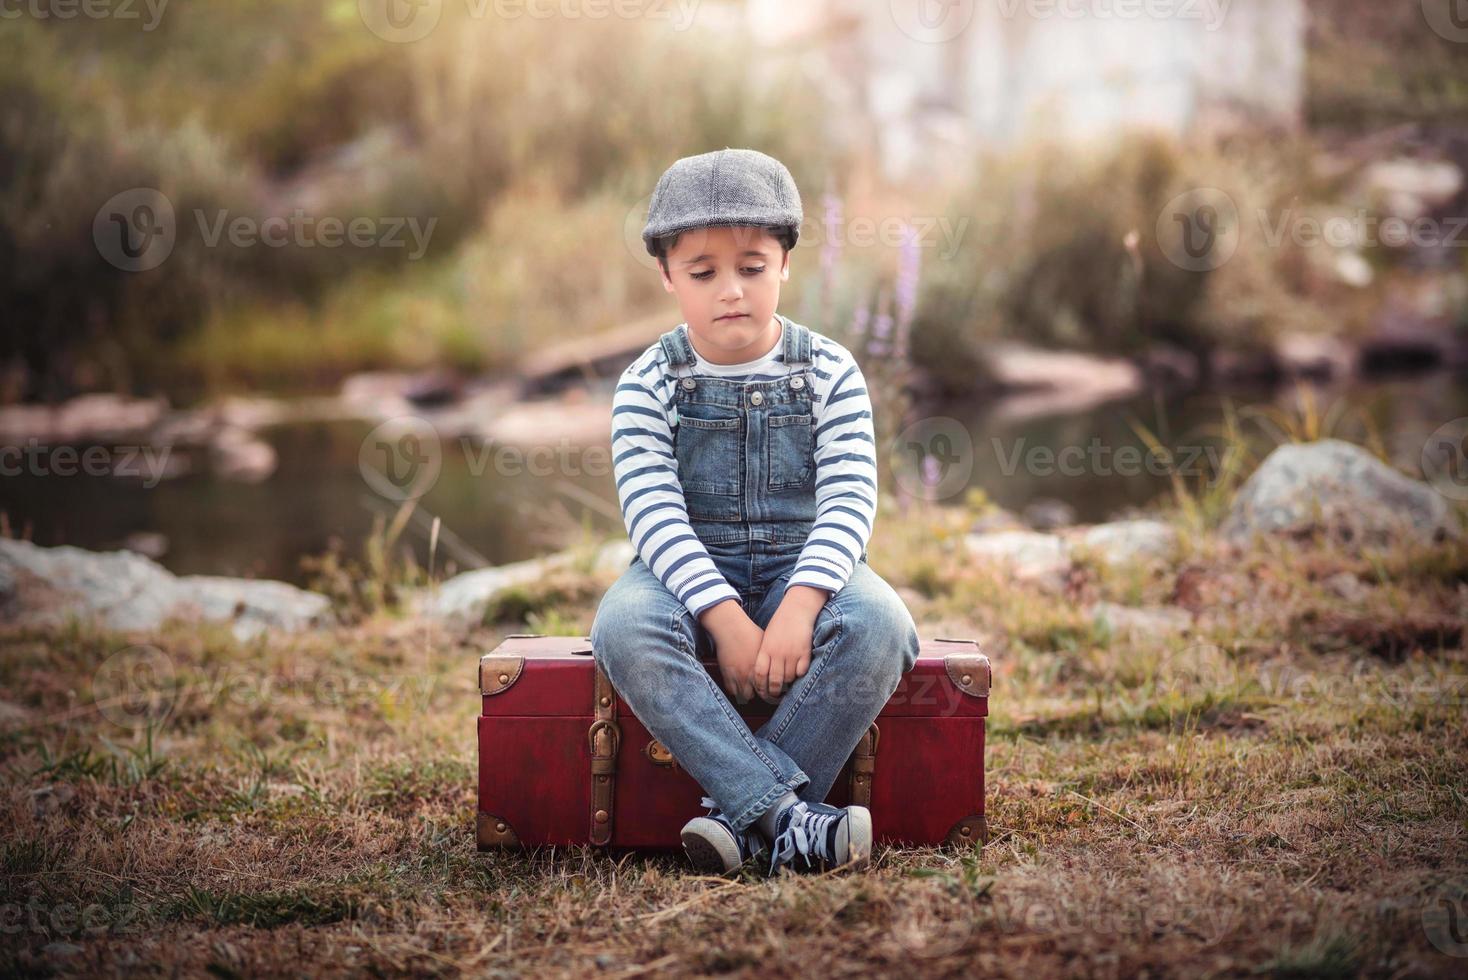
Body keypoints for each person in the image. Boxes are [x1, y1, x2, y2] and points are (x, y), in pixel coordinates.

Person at [589, 148, 921, 876]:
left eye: (752, 265)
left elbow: (849, 499)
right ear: (668, 275)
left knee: (882, 624)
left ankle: (741, 820)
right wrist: (725, 619)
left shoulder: (828, 369)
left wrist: (800, 606)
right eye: (703, 272)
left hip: (805, 565)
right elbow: (653, 515)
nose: (730, 290)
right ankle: (786, 818)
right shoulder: (649, 382)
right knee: (621, 625)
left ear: (786, 264)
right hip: (682, 571)